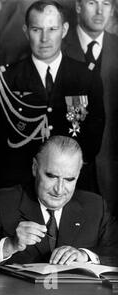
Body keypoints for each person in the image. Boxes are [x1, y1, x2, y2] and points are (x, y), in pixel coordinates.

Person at [0, 0, 104, 192]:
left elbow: (93, 137)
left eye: (52, 29)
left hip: (71, 186)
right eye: (36, 29)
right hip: (21, 185)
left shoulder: (86, 77)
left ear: (64, 30)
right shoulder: (7, 79)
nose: (44, 38)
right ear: (26, 31)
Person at [0, 135, 118, 269]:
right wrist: (9, 245)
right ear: (35, 168)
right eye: (51, 176)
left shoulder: (95, 206)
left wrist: (86, 256)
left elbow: (114, 252)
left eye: (69, 179)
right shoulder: (3, 202)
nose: (59, 189)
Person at [63, 0, 118, 218]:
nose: (99, 10)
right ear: (77, 6)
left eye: (106, 3)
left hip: (113, 170)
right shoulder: (54, 45)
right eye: (92, 2)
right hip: (68, 169)